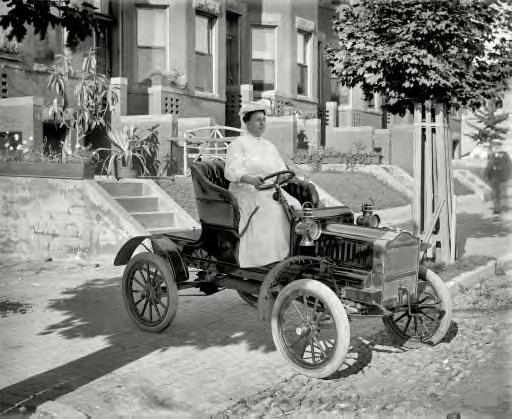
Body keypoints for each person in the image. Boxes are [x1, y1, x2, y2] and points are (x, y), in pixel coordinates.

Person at [224, 101, 301, 268]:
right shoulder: (238, 144)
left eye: (264, 119)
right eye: (258, 120)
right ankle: (268, 260)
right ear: (247, 122)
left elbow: (280, 170)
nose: (262, 123)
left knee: (296, 206)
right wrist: (251, 180)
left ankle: (293, 254)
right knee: (273, 212)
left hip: (268, 190)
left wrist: (282, 178)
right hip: (245, 191)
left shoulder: (269, 146)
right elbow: (230, 171)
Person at [484, 143, 512, 214]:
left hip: (495, 177)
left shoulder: (493, 155)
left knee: (496, 194)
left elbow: (490, 166)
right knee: (502, 193)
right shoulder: (505, 155)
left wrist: (486, 175)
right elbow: (509, 165)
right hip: (503, 177)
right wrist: (508, 176)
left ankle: (497, 209)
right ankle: (503, 208)